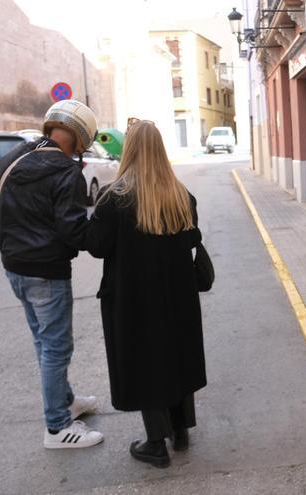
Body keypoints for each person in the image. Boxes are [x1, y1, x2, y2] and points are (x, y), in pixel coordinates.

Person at [87, 120, 207, 468]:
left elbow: (96, 246)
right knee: (177, 356)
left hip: (134, 300)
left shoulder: (116, 198)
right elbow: (191, 240)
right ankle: (181, 431)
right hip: (178, 297)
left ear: (130, 150)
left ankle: (156, 443)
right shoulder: (181, 194)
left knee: (145, 362)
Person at [0, 100, 103, 449]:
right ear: (79, 135)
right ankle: (57, 427)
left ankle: (65, 401)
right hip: (46, 271)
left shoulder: (12, 159)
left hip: (14, 268)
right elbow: (74, 232)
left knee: (44, 343)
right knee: (56, 347)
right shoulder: (66, 172)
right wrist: (105, 231)